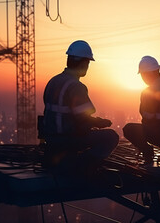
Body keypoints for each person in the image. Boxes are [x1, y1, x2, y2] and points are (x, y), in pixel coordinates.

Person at [42, 40, 119, 168]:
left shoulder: (53, 81)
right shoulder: (76, 86)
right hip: (67, 139)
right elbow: (83, 119)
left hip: (51, 140)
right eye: (88, 63)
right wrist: (100, 123)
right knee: (111, 137)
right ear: (84, 63)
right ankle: (80, 164)